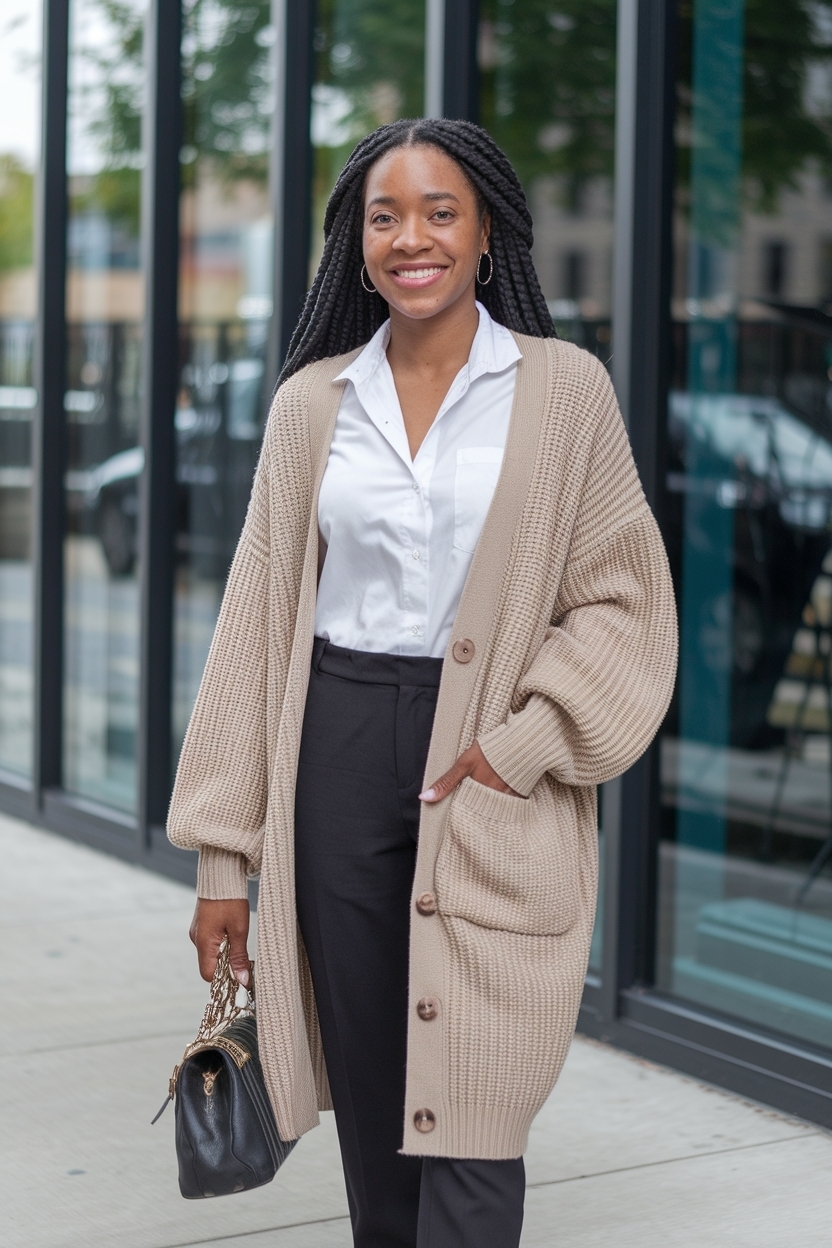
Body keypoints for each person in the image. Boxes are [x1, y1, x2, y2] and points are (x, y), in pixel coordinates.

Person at [168, 118, 677, 1248]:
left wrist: (526, 741)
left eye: (439, 211)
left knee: (476, 1113)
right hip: (337, 752)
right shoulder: (312, 406)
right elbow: (254, 633)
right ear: (356, 244)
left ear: (487, 230)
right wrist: (222, 862)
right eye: (383, 216)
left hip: (491, 768)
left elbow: (623, 597)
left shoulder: (564, 392)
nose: (411, 238)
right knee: (376, 1095)